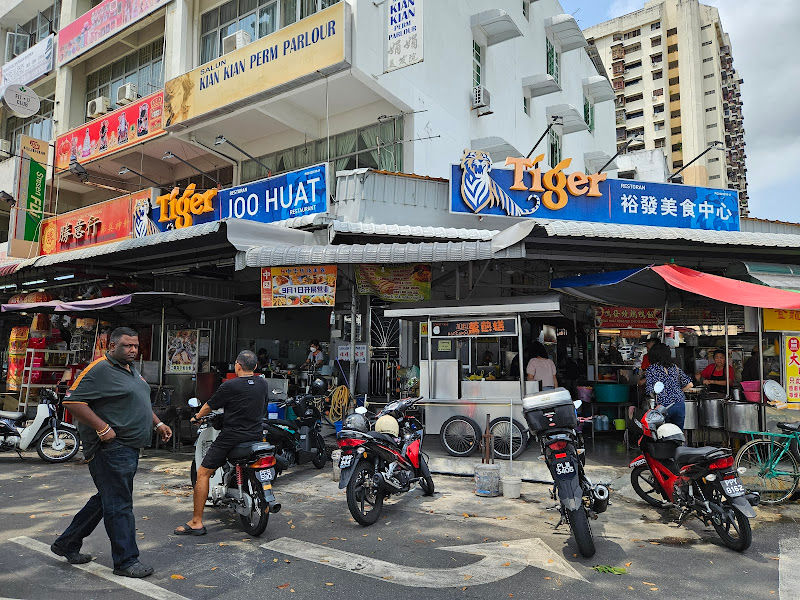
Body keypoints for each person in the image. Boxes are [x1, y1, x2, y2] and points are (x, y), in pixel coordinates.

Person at [54, 327, 172, 578]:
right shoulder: (99, 369)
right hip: (111, 449)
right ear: (112, 347)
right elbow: (72, 401)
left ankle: (67, 543)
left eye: (135, 346)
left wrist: (158, 423)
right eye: (127, 346)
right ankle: (126, 561)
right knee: (119, 505)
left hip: (129, 448)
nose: (132, 350)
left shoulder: (131, 370)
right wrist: (102, 427)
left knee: (106, 500)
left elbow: (138, 401)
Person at [174, 350, 267, 536]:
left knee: (203, 473)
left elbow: (209, 405)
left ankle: (196, 522)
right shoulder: (263, 383)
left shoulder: (230, 386)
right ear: (255, 367)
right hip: (256, 435)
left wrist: (196, 417)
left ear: (237, 366)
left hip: (231, 437)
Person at [645, 342, 693, 429]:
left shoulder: (651, 369)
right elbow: (690, 384)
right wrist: (679, 391)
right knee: (677, 432)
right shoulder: (675, 367)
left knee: (664, 432)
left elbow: (650, 391)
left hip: (663, 406)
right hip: (679, 404)